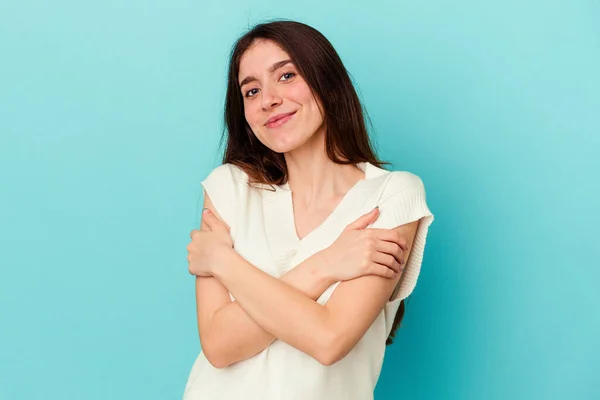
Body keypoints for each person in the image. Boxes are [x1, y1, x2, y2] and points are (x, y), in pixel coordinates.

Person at [183, 20, 434, 400]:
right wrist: (327, 264)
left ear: (327, 82)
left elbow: (329, 339)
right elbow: (219, 345)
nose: (267, 99)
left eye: (286, 75)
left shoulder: (392, 196)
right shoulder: (229, 188)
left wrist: (223, 262)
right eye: (251, 91)